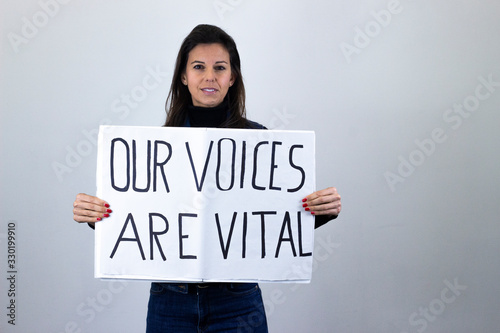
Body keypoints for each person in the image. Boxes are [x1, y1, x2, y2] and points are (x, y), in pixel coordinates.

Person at [73, 24, 342, 332]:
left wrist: (320, 211)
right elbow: (140, 218)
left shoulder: (260, 142)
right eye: (199, 67)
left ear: (232, 77)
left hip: (237, 301)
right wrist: (95, 216)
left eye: (220, 67)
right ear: (184, 77)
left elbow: (270, 222)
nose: (209, 76)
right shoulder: (155, 148)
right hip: (170, 302)